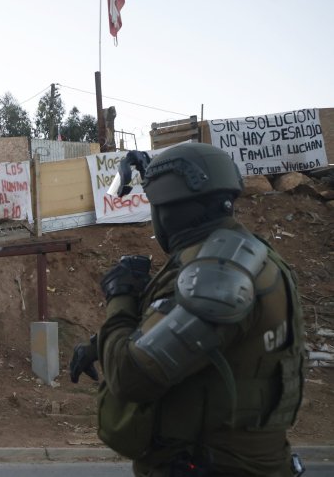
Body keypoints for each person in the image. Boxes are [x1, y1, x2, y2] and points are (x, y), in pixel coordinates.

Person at [69, 143, 305, 476]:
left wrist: (120, 296)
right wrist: (98, 345)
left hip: (214, 465)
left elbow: (130, 377)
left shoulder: (219, 275)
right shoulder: (244, 257)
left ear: (171, 211)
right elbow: (185, 334)